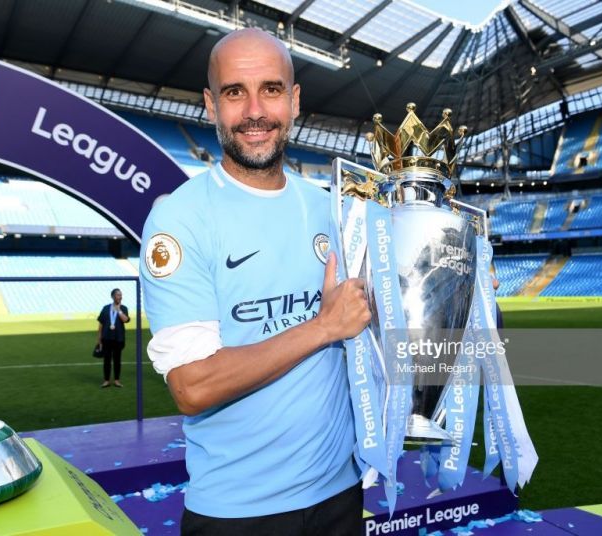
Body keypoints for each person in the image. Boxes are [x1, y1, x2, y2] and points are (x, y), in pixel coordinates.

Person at [139, 28, 370, 536]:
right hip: (238, 513)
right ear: (209, 105)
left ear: (294, 99)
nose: (254, 112)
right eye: (234, 93)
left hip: (340, 496)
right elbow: (193, 386)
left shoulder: (333, 210)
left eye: (270, 89)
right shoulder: (179, 220)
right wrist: (322, 327)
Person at [96, 288, 130, 388]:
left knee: (117, 360)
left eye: (121, 295)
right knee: (106, 360)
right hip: (106, 338)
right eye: (118, 295)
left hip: (118, 338)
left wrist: (119, 310)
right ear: (112, 296)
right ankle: (106, 380)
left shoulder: (124, 308)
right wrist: (99, 339)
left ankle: (117, 380)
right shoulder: (106, 308)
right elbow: (101, 324)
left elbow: (125, 320)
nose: (120, 297)